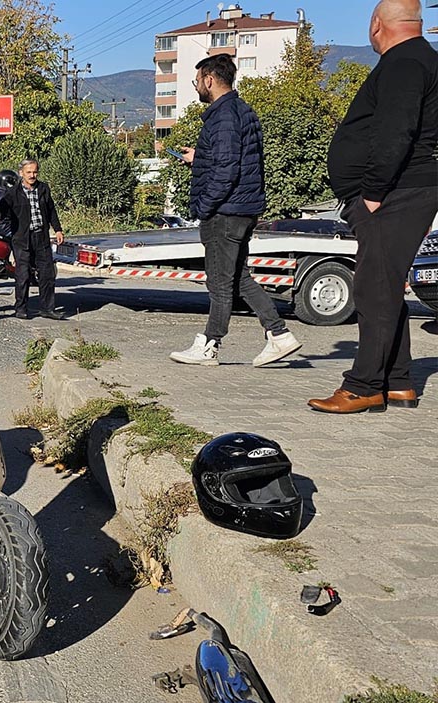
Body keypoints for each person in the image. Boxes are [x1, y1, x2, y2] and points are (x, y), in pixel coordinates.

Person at [310, 0, 438, 413]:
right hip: (403, 189)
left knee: (372, 287)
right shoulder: (418, 59)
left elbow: (395, 131)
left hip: (395, 192)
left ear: (377, 25)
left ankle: (363, 385)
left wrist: (373, 192)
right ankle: (398, 381)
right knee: (384, 284)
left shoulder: (404, 63)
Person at [170, 54, 302, 367]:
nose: (197, 86)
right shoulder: (241, 111)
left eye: (197, 81)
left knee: (218, 284)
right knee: (239, 279)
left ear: (209, 80)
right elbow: (231, 158)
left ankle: (209, 345)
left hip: (225, 212)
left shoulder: (223, 116)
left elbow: (226, 169)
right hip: (242, 208)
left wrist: (204, 206)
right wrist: (199, 156)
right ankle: (279, 335)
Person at [1, 159, 64, 320]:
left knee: (47, 274)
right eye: (28, 172)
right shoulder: (12, 193)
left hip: (41, 236)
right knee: (22, 275)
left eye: (35, 172)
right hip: (22, 239)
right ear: (21, 173)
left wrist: (57, 229)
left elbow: (51, 210)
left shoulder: (43, 188)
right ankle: (21, 308)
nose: (32, 175)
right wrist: (12, 234)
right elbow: (3, 217)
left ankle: (47, 308)